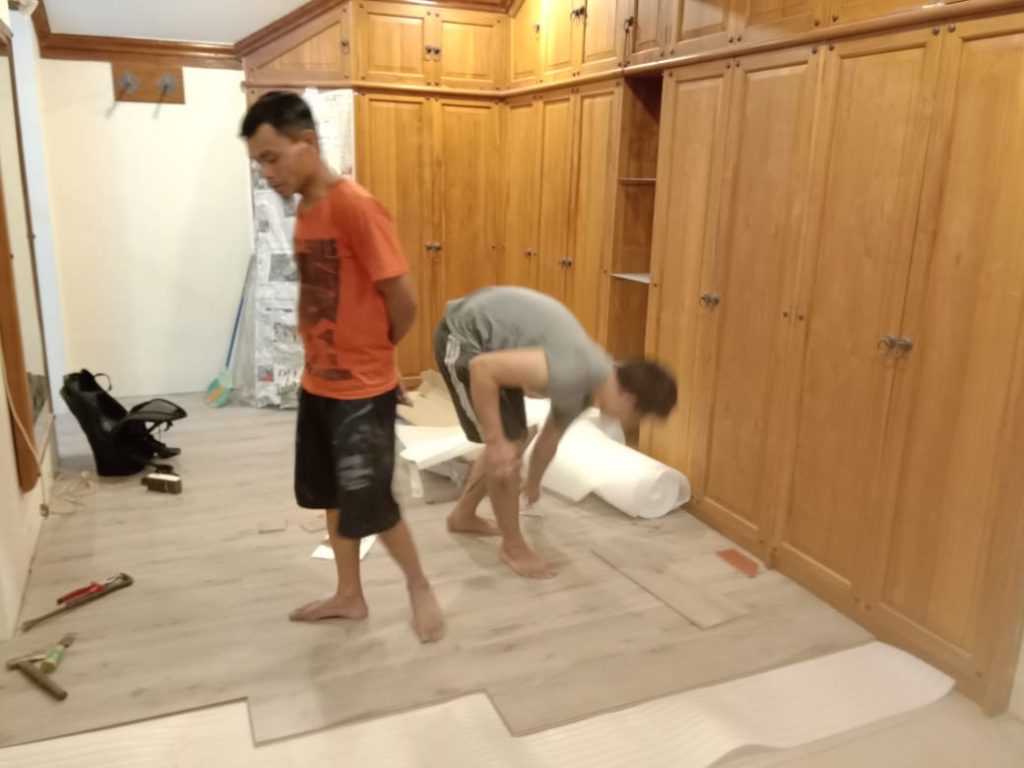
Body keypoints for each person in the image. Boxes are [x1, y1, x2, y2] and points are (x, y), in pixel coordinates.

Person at [241, 91, 444, 643]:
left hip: (361, 391)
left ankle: (419, 585)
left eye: (272, 158)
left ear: (307, 142)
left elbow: (402, 299)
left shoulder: (356, 206)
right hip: (318, 385)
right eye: (259, 163)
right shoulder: (306, 212)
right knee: (330, 493)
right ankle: (349, 594)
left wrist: (379, 359)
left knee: (371, 500)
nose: (267, 173)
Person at [434, 286, 677, 579]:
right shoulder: (574, 370)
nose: (626, 423)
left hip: (489, 345)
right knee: (506, 443)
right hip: (462, 337)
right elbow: (482, 369)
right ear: (628, 399)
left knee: (513, 441)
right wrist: (495, 441)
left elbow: (549, 440)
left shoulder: (584, 390)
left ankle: (463, 516)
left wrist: (533, 482)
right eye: (636, 417)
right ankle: (513, 547)